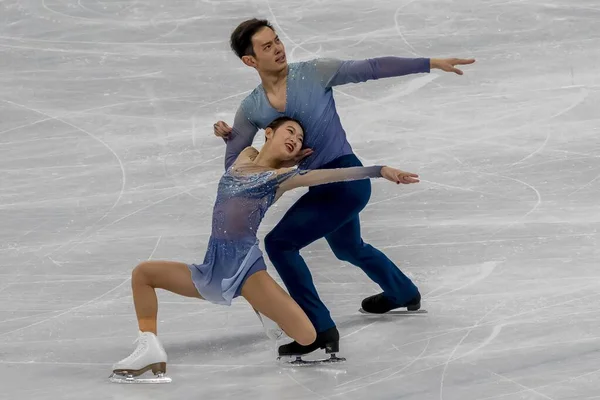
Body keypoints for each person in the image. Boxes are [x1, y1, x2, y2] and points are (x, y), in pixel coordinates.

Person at [212, 18, 475, 358]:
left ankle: (320, 330)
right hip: (322, 185)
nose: (278, 49)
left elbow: (371, 67)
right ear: (250, 61)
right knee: (348, 246)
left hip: (345, 178)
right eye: (266, 46)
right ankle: (403, 292)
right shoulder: (252, 108)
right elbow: (236, 164)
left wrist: (429, 63)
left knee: (280, 244)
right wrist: (230, 137)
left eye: (277, 40)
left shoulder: (314, 72)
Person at [110, 117, 420, 382]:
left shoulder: (282, 178)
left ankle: (268, 311)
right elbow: (240, 142)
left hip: (246, 271)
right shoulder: (244, 155)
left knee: (308, 338)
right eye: (289, 132)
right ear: (269, 132)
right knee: (143, 274)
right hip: (210, 268)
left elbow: (332, 175)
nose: (294, 139)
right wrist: (226, 133)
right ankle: (148, 348)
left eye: (299, 140)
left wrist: (379, 170)